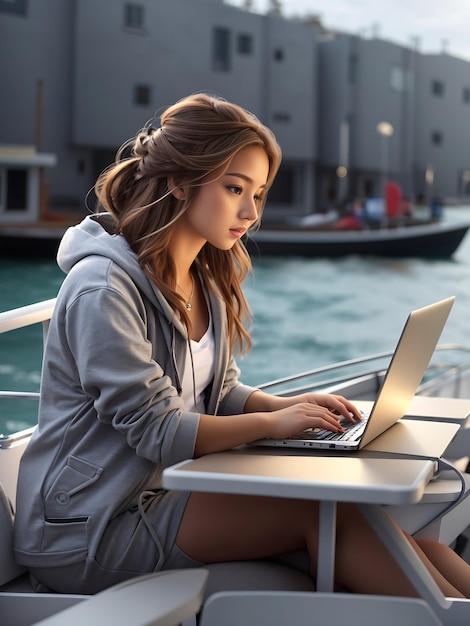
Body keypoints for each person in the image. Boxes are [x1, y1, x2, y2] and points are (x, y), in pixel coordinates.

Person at [14, 93, 470, 599]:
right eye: (235, 189)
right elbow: (158, 430)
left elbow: (217, 390)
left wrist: (286, 406)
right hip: (88, 526)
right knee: (320, 511)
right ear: (179, 183)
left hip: (170, 494)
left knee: (399, 537)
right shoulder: (103, 288)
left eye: (258, 193)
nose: (251, 212)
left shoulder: (201, 276)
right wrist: (275, 426)